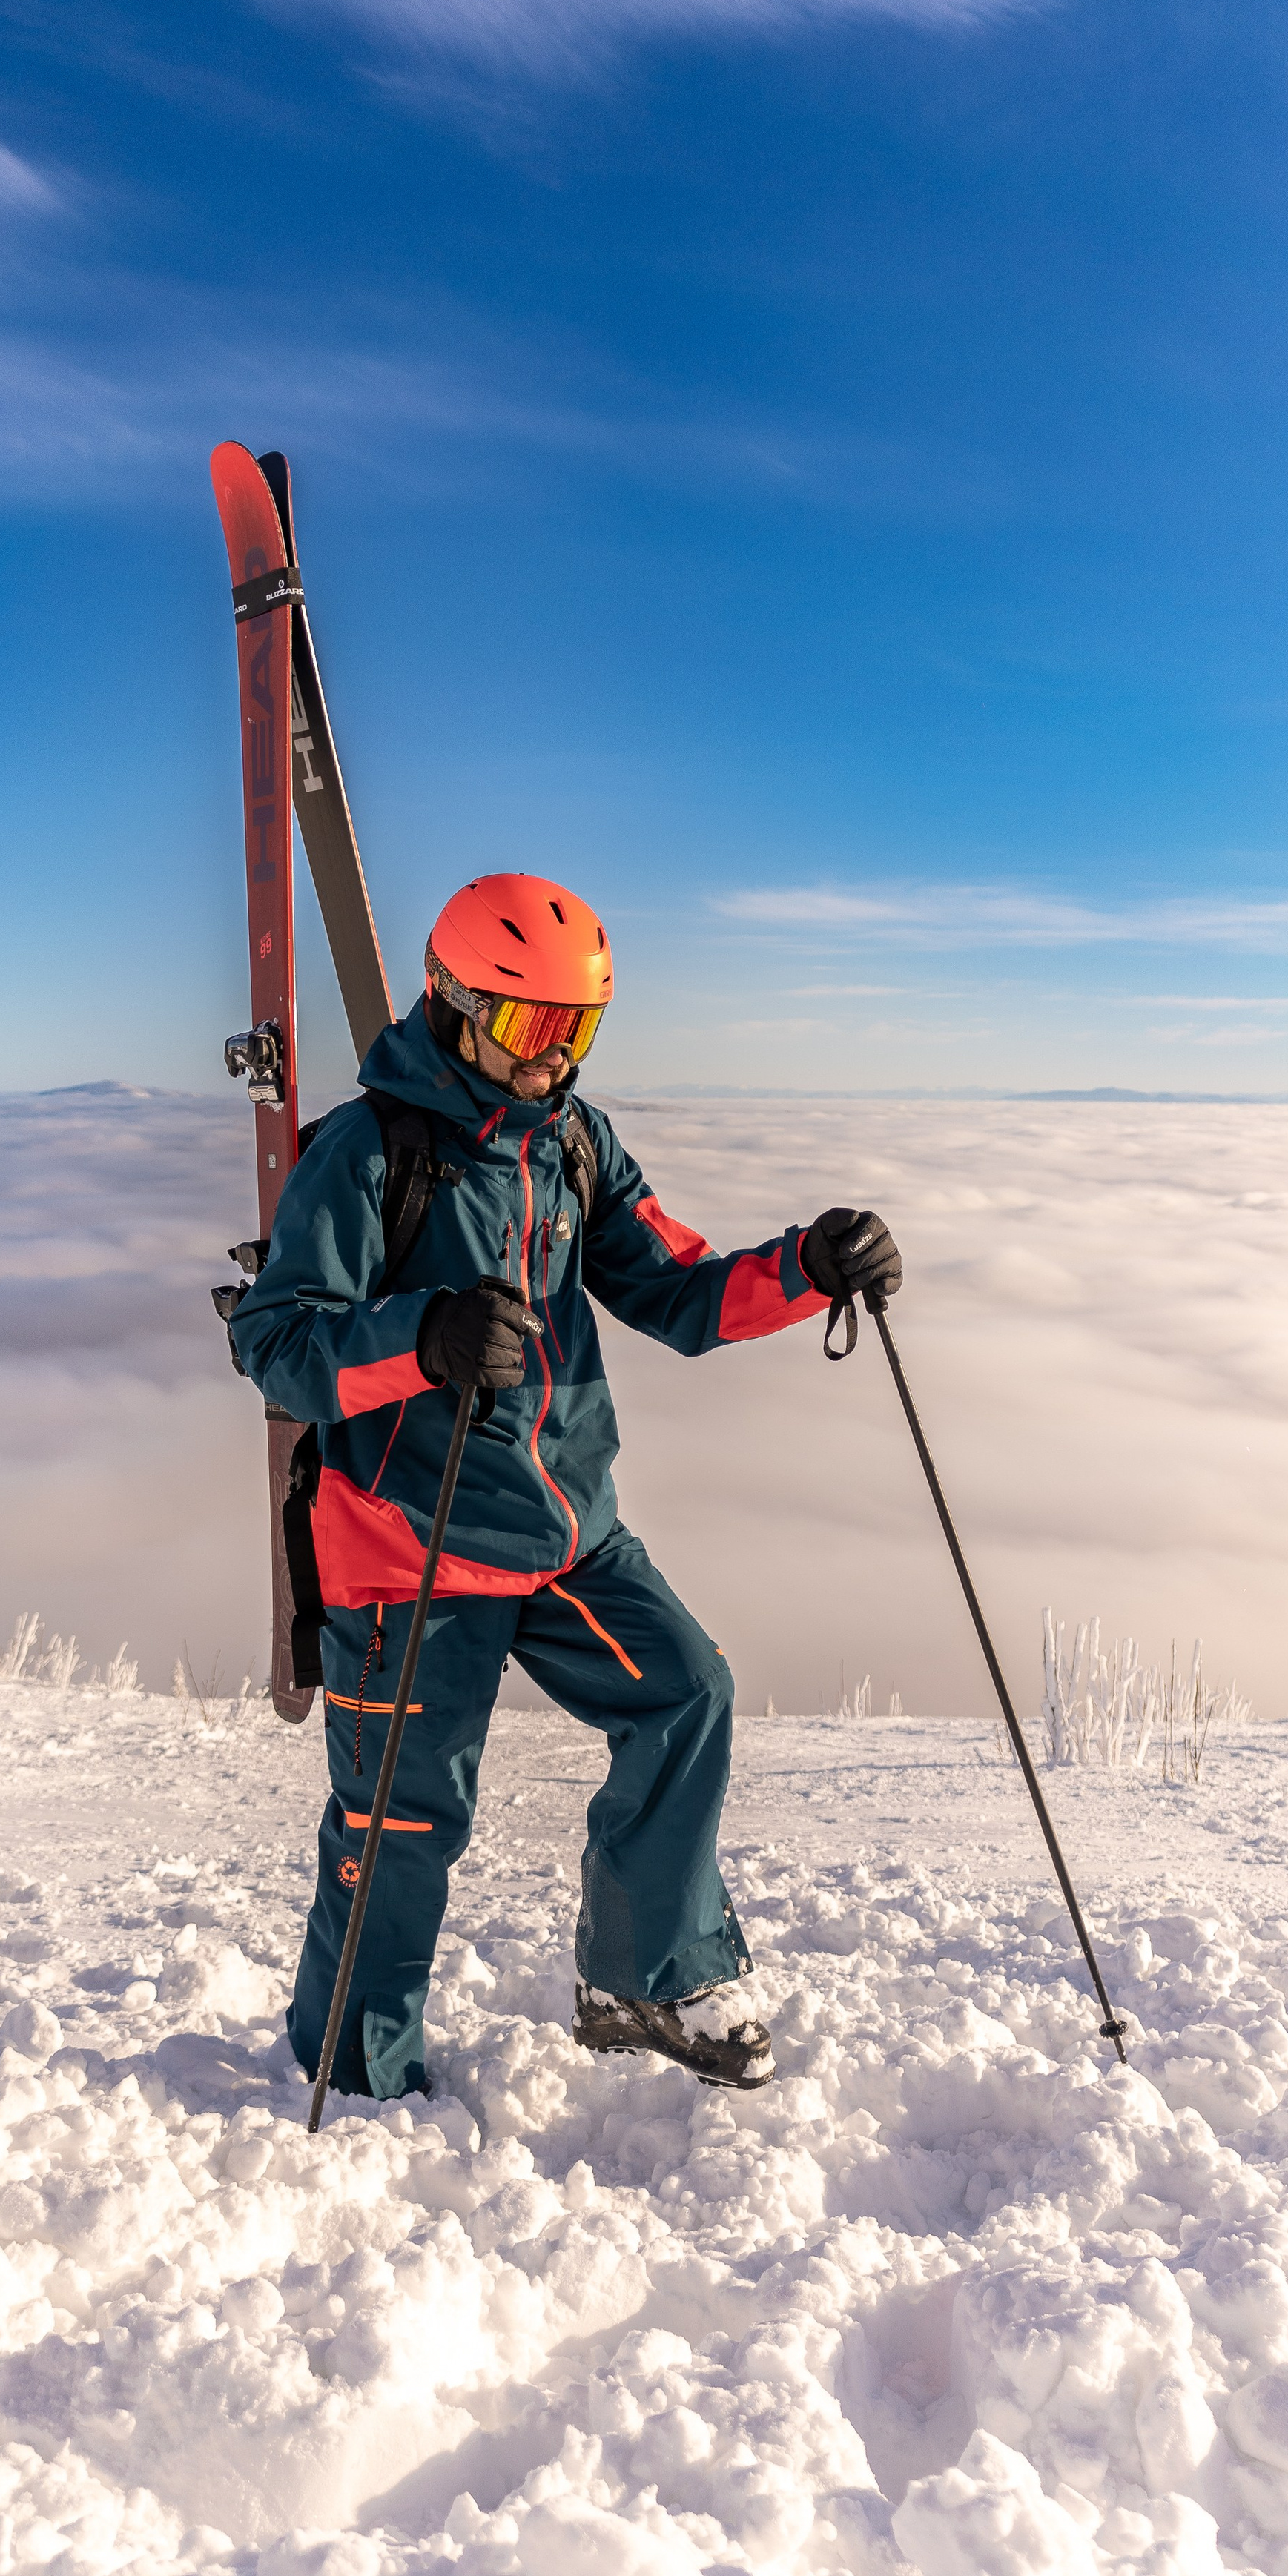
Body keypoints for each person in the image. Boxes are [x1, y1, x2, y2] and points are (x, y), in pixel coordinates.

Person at [228, 873, 902, 2099]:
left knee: (686, 1694)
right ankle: (356, 2072)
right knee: (402, 1826)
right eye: (533, 1029)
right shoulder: (368, 1151)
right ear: (452, 1000)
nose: (553, 1062)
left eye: (576, 1032)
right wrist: (420, 1335)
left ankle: (640, 1975)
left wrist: (808, 1266)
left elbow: (679, 1293)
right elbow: (276, 1340)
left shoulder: (577, 1145)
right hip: (408, 1550)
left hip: (562, 1529)